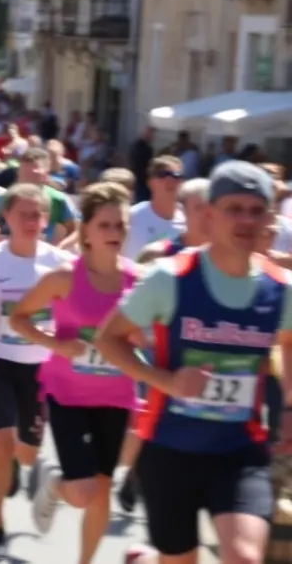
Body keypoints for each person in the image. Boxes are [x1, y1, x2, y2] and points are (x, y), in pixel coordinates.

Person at [94, 161, 292, 564]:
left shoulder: (280, 290)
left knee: (244, 557)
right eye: (235, 209)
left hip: (240, 449)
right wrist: (165, 382)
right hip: (169, 448)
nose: (246, 220)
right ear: (208, 214)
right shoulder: (169, 278)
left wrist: (289, 405)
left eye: (257, 211)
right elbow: (109, 339)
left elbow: (289, 342)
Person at [6, 182, 137, 564]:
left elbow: (149, 332)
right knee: (82, 491)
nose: (115, 233)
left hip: (116, 396)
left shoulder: (137, 281)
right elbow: (18, 318)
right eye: (106, 225)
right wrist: (56, 345)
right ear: (87, 233)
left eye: (121, 225)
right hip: (68, 394)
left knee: (102, 488)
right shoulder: (64, 277)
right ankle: (54, 484)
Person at [0, 182, 72, 561]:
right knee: (2, 443)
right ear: (5, 217)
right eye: (23, 213)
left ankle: (25, 466)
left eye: (38, 214)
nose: (31, 221)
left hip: (41, 369)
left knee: (27, 454)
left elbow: (75, 313)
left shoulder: (59, 264)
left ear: (46, 220)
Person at [122, 156, 185, 259]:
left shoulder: (189, 220)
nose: (170, 180)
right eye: (163, 174)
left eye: (177, 175)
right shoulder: (131, 216)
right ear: (150, 182)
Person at [136, 179, 210, 265]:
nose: (206, 215)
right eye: (199, 208)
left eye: (210, 208)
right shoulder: (158, 255)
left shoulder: (227, 255)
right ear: (183, 211)